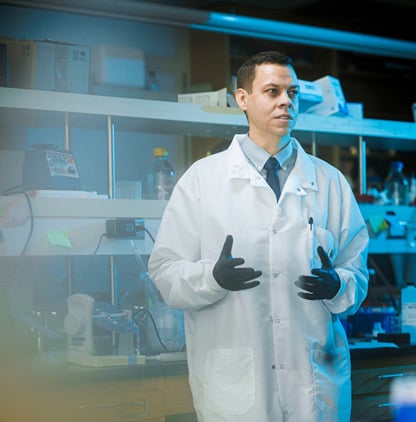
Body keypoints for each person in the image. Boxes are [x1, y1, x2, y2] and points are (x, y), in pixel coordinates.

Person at [148, 51, 369, 422]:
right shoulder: (203, 180)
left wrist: (337, 285)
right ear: (243, 99)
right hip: (235, 390)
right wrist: (212, 278)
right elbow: (165, 270)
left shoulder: (329, 182)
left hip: (312, 389)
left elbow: (357, 271)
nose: (286, 101)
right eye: (272, 91)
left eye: (293, 93)